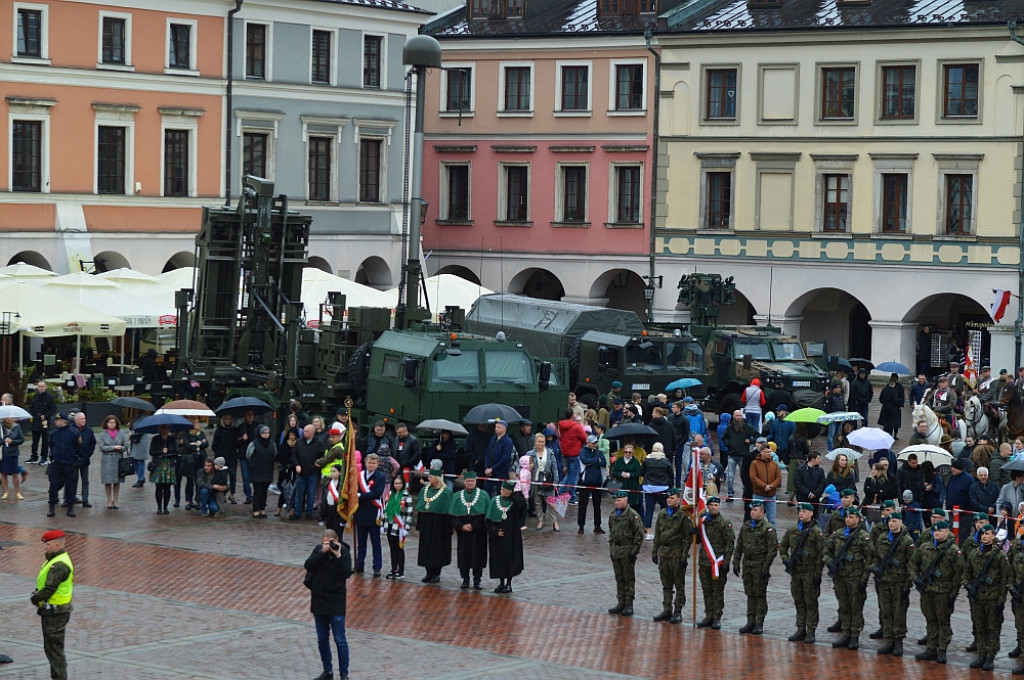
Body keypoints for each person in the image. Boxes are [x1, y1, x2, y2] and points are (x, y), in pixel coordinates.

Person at [910, 520, 964, 664]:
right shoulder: (924, 548)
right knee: (930, 620)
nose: (937, 533)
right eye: (935, 531)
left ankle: (942, 650)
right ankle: (931, 648)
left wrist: (953, 594)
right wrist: (917, 580)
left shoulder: (953, 550)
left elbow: (958, 574)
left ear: (947, 532)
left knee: (943, 622)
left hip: (943, 592)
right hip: (927, 590)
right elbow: (913, 563)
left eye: (940, 531)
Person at [304, 529, 352, 680]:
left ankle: (344, 674)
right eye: (326, 542)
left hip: (336, 601)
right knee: (322, 638)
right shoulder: (319, 551)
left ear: (337, 540)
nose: (330, 545)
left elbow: (346, 573)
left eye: (332, 542)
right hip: (319, 600)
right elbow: (308, 565)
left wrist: (337, 555)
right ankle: (327, 671)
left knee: (340, 639)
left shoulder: (343, 552)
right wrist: (322, 553)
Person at [823, 507, 873, 650]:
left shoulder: (863, 536)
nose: (848, 519)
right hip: (840, 577)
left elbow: (870, 559)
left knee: (855, 608)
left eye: (851, 517)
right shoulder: (838, 534)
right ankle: (845, 634)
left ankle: (855, 637)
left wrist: (864, 579)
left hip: (855, 577)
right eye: (847, 517)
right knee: (844, 607)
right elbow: (826, 549)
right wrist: (830, 562)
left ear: (858, 519)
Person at [963, 524, 1011, 670]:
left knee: (993, 628)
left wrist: (1001, 600)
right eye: (982, 534)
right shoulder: (974, 554)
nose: (984, 536)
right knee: (980, 627)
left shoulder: (1000, 555)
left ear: (993, 536)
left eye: (987, 534)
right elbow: (966, 573)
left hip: (993, 598)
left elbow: (1005, 580)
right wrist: (967, 585)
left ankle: (990, 657)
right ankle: (982, 654)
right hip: (977, 598)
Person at [32, 529, 74, 680]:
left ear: (57, 545)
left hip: (55, 612)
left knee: (55, 651)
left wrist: (35, 598)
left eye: (48, 544)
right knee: (52, 649)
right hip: (54, 610)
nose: (45, 547)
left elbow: (49, 588)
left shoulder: (59, 565)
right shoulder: (55, 559)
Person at [780, 502, 825, 643]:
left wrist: (818, 574)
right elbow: (783, 547)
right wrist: (785, 559)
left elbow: (820, 555)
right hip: (796, 572)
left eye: (805, 511)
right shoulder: (793, 530)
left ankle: (811, 631)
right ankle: (801, 629)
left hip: (810, 573)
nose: (801, 513)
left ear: (811, 513)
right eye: (800, 511)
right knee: (799, 601)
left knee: (810, 602)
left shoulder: (816, 532)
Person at [872, 512, 915, 656]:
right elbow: (874, 557)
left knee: (899, 613)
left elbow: (911, 565)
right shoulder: (882, 539)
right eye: (890, 521)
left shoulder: (907, 541)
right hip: (884, 582)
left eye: (894, 521)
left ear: (901, 522)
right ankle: (889, 640)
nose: (891, 524)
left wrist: (907, 585)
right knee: (886, 612)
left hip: (899, 583)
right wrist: (875, 570)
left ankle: (898, 642)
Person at [733, 499, 778, 635]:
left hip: (760, 565)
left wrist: (766, 567)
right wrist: (736, 562)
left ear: (763, 512)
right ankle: (750, 621)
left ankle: (759, 623)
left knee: (759, 595)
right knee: (750, 594)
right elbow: (739, 545)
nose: (752, 512)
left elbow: (772, 549)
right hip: (748, 564)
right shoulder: (746, 526)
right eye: (751, 510)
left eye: (755, 510)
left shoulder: (767, 528)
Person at [651, 487, 695, 624]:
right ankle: (667, 609)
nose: (670, 500)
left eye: (673, 498)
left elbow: (688, 537)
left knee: (679, 585)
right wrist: (654, 551)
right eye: (668, 498)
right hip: (664, 553)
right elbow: (657, 534)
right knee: (666, 584)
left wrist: (684, 556)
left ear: (678, 499)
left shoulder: (683, 516)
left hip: (676, 553)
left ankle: (678, 611)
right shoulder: (662, 514)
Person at [695, 496, 735, 629]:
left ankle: (717, 617)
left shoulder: (724, 523)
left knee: (717, 591)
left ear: (719, 507)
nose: (713, 507)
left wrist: (727, 562)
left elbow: (730, 544)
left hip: (718, 563)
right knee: (707, 590)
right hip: (704, 562)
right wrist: (694, 534)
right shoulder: (703, 521)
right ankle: (708, 615)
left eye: (715, 505)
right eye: (711, 505)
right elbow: (699, 540)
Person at [448, 470, 489, 589]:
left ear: (476, 482)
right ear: (464, 482)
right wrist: (461, 526)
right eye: (468, 481)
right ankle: (465, 579)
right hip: (463, 533)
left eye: (472, 481)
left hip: (478, 532)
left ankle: (477, 580)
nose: (470, 483)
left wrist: (473, 526)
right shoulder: (457, 496)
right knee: (464, 556)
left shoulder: (484, 495)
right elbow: (453, 516)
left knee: (478, 557)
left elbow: (485, 516)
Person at [607, 489, 644, 617]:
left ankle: (629, 604)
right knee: (619, 577)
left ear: (626, 500)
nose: (617, 503)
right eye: (615, 501)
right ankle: (621, 601)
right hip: (616, 550)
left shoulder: (632, 515)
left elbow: (639, 535)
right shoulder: (613, 515)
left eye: (619, 500)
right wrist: (612, 548)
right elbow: (611, 533)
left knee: (628, 578)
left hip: (627, 550)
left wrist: (634, 551)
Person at [487, 479, 527, 593]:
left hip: (511, 536)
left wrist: (516, 493)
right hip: (498, 537)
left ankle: (509, 584)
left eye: (505, 490)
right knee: (498, 560)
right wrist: (494, 531)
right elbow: (488, 521)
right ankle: (501, 583)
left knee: (510, 559)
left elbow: (523, 506)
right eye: (501, 489)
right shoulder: (495, 501)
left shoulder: (514, 503)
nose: (502, 492)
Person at [416, 467, 453, 583]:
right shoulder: (424, 490)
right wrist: (420, 525)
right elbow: (421, 509)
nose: (429, 478)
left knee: (437, 549)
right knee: (426, 548)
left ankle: (436, 573)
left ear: (437, 479)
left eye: (431, 477)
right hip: (427, 524)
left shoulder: (446, 492)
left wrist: (447, 528)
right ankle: (428, 572)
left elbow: (448, 512)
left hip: (439, 525)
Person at [353, 453, 386, 576]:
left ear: (377, 464)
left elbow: (377, 493)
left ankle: (377, 567)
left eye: (374, 463)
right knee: (361, 542)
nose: (371, 465)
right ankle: (359, 565)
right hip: (361, 512)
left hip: (373, 512)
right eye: (369, 462)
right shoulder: (359, 475)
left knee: (375, 542)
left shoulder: (381, 477)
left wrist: (361, 496)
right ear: (365, 463)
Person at [721, 410, 758, 502]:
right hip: (732, 455)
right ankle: (730, 494)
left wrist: (751, 441)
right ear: (733, 416)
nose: (738, 417)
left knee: (744, 476)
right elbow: (724, 438)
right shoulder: (729, 427)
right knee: (730, 476)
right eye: (737, 415)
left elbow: (757, 435)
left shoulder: (747, 427)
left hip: (743, 456)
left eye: (740, 415)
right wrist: (729, 444)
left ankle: (745, 493)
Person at [46, 414, 78, 518]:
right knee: (53, 485)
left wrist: (74, 459)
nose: (56, 422)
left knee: (70, 486)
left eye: (58, 420)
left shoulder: (73, 432)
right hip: (56, 463)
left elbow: (78, 447)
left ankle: (70, 507)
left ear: (64, 421)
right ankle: (52, 507)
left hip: (69, 463)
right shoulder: (54, 433)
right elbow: (51, 445)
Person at [383, 474, 413, 580]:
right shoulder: (390, 494)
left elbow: (409, 514)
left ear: (403, 484)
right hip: (390, 525)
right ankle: (393, 569)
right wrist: (383, 524)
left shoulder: (406, 496)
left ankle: (401, 571)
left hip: (400, 528)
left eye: (400, 483)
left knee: (399, 548)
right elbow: (385, 510)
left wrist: (406, 528)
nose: (398, 485)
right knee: (392, 549)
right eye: (396, 483)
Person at [641, 442, 674, 540]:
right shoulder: (666, 461)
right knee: (665, 509)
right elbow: (671, 475)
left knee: (649, 511)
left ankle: (648, 533)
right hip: (662, 488)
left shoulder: (647, 461)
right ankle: (665, 530)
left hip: (649, 488)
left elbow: (642, 472)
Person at [290, 425, 323, 521]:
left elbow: (322, 455)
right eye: (304, 431)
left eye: (306, 431)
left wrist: (318, 463)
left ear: (312, 432)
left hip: (312, 473)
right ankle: (297, 512)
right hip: (301, 472)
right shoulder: (299, 442)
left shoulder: (319, 443)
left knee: (311, 493)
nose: (304, 433)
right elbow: (294, 454)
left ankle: (309, 512)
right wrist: (296, 465)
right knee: (299, 493)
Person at [97, 415, 129, 510]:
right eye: (110, 422)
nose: (112, 424)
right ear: (106, 423)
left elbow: (126, 445)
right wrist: (113, 447)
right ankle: (109, 500)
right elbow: (102, 447)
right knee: (108, 482)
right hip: (107, 460)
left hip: (118, 460)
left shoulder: (121, 433)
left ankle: (116, 500)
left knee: (116, 481)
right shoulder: (103, 434)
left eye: (113, 422)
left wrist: (121, 448)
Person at [749, 439, 782, 530]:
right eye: (767, 452)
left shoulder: (774, 464)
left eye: (770, 452)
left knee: (772, 519)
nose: (769, 453)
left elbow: (778, 477)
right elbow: (753, 477)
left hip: (771, 495)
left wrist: (772, 486)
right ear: (762, 452)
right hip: (758, 494)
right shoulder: (754, 463)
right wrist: (764, 486)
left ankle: (773, 537)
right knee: (756, 518)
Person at [246, 425, 276, 519]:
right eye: (264, 433)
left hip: (267, 469)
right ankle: (255, 510)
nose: (266, 435)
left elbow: (274, 454)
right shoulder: (254, 444)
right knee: (257, 491)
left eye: (268, 433)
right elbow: (248, 455)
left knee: (264, 492)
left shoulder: (272, 444)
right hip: (257, 470)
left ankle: (262, 509)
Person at [556, 410, 586, 504]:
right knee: (574, 476)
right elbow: (585, 438)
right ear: (573, 415)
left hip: (565, 453)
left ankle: (560, 491)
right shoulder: (577, 427)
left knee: (569, 474)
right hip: (575, 454)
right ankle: (571, 497)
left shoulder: (561, 424)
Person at [178, 417, 208, 510]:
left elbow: (206, 443)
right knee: (190, 480)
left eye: (198, 422)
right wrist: (197, 445)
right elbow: (187, 445)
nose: (197, 424)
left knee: (199, 480)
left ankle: (198, 500)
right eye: (195, 422)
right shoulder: (187, 434)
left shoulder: (201, 433)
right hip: (191, 460)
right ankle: (188, 500)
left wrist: (196, 444)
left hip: (200, 459)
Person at [578, 434, 606, 534]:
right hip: (586, 482)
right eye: (593, 442)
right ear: (588, 443)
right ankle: (581, 526)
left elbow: (603, 463)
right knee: (582, 505)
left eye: (596, 442)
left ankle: (597, 525)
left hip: (597, 481)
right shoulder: (583, 451)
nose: (595, 444)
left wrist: (592, 462)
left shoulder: (600, 452)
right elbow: (584, 460)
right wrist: (596, 461)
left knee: (597, 505)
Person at [212, 414, 242, 501]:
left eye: (229, 419)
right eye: (226, 419)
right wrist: (219, 454)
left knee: (232, 475)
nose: (228, 420)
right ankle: (223, 493)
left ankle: (232, 493)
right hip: (221, 458)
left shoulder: (234, 430)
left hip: (231, 456)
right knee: (222, 476)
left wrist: (242, 440)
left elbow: (237, 444)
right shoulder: (219, 430)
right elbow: (214, 445)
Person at [148, 424, 177, 515]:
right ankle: (159, 507)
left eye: (167, 428)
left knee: (167, 487)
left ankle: (166, 507)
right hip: (158, 464)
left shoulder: (172, 439)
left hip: (168, 465)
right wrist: (161, 451)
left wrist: (166, 454)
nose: (165, 430)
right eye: (163, 428)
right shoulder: (155, 439)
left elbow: (175, 452)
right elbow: (152, 451)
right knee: (159, 487)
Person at [483, 420, 515, 497]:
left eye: (499, 427)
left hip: (500, 472)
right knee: (486, 491)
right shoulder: (493, 439)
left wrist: (493, 468)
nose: (496, 429)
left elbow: (505, 458)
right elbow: (487, 453)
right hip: (490, 471)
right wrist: (487, 467)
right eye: (496, 427)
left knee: (499, 492)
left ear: (504, 429)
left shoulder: (508, 441)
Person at [28, 380, 56, 465]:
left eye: (42, 386)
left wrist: (46, 415)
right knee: (35, 441)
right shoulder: (35, 396)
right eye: (39, 386)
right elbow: (32, 407)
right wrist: (32, 415)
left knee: (45, 441)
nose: (40, 388)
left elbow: (53, 408)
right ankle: (34, 456)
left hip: (45, 422)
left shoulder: (49, 397)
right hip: (36, 422)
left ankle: (44, 458)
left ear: (45, 387)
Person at [610, 443, 642, 515]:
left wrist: (629, 475)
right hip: (621, 486)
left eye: (629, 452)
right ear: (623, 452)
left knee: (633, 508)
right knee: (620, 507)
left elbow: (638, 473)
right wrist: (621, 474)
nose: (627, 453)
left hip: (633, 487)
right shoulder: (619, 461)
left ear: (632, 453)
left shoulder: (636, 462)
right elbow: (614, 472)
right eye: (626, 452)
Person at [794, 451, 826, 518]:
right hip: (803, 498)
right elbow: (797, 483)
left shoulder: (820, 470)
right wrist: (808, 493)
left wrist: (816, 493)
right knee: (803, 517)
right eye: (818, 458)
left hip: (815, 498)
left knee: (815, 517)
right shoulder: (800, 469)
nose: (820, 460)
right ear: (812, 459)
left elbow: (822, 483)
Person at [1, 415, 25, 501]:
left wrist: (13, 441)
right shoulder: (1, 426)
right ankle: (6, 492)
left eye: (10, 417)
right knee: (3, 473)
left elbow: (21, 440)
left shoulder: (17, 426)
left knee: (15, 473)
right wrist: (4, 441)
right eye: (7, 417)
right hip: (2, 453)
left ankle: (17, 492)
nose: (8, 418)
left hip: (13, 453)